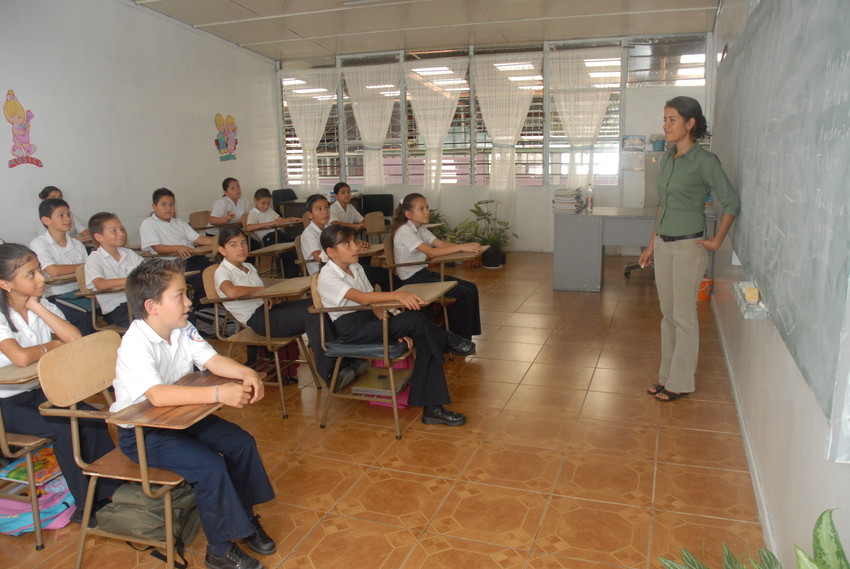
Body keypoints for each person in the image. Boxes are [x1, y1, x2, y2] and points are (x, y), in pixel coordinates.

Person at [112, 258, 276, 569]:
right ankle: (219, 550)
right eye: (180, 296)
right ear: (152, 305)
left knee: (241, 442)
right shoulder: (135, 344)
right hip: (143, 431)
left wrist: (245, 372)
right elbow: (157, 396)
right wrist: (218, 393)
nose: (189, 302)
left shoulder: (182, 327)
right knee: (208, 466)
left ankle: (245, 520)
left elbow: (212, 360)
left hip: (180, 417)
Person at [0, 243, 118, 522]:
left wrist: (35, 307)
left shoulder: (42, 304)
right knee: (66, 428)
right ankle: (84, 507)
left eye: (39, 269)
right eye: (31, 274)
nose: (41, 278)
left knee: (91, 417)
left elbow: (74, 338)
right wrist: (51, 345)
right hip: (6, 407)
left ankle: (109, 491)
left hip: (38, 392)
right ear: (5, 284)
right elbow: (18, 357)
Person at [317, 224, 474, 426]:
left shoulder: (355, 268)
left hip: (369, 322)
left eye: (354, 242)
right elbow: (364, 299)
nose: (355, 247)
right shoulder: (327, 276)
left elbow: (374, 306)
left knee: (426, 340)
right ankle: (449, 341)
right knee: (416, 321)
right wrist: (399, 295)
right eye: (347, 244)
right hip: (351, 330)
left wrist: (392, 327)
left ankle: (433, 407)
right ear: (331, 252)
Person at [638, 96, 741, 402]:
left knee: (683, 316)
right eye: (665, 119)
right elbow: (663, 204)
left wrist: (718, 239)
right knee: (667, 315)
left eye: (672, 119)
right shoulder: (668, 158)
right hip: (665, 246)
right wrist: (652, 244)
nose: (665, 125)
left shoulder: (705, 161)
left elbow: (731, 202)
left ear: (690, 123)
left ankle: (681, 382)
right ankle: (666, 376)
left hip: (688, 247)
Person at [213, 225, 367, 388]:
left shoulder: (248, 267)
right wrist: (264, 291)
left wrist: (272, 296)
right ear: (222, 250)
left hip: (269, 309)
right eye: (233, 245)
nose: (241, 248)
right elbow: (231, 292)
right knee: (313, 314)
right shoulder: (222, 271)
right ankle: (331, 373)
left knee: (319, 305)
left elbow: (255, 294)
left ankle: (350, 358)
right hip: (258, 320)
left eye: (244, 243)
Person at [392, 193, 482, 340]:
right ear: (408, 214)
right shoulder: (404, 231)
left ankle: (463, 336)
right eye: (421, 209)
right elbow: (431, 252)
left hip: (423, 273)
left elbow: (440, 244)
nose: (427, 211)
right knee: (464, 293)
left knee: (471, 287)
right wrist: (461, 248)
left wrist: (466, 247)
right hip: (413, 280)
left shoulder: (420, 228)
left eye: (427, 207)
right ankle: (453, 337)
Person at [29, 198, 95, 335]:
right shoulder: (39, 243)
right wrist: (83, 266)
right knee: (84, 316)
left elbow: (91, 270)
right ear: (46, 221)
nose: (67, 219)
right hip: (56, 296)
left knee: (113, 307)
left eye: (68, 215)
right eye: (61, 215)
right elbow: (54, 271)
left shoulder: (77, 244)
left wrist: (85, 267)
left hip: (82, 292)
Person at [139, 187, 213, 310]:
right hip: (168, 263)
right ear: (154, 206)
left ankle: (205, 305)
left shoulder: (179, 222)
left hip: (190, 258)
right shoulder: (148, 224)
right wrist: (178, 247)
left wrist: (222, 240)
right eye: (164, 204)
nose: (169, 208)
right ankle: (200, 306)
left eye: (171, 204)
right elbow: (158, 248)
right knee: (203, 276)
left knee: (214, 269)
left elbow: (200, 239)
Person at [302, 194, 390, 290]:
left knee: (376, 270)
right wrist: (349, 250)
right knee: (382, 274)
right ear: (309, 214)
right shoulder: (308, 234)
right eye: (319, 209)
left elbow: (344, 241)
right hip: (326, 272)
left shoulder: (329, 227)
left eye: (327, 207)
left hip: (343, 267)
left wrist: (358, 243)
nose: (325, 212)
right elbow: (318, 256)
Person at [84, 212, 144, 328]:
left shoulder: (129, 254)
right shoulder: (94, 259)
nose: (121, 233)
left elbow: (148, 272)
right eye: (114, 231)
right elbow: (100, 284)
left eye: (121, 229)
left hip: (138, 302)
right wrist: (131, 279)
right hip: (117, 309)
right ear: (99, 237)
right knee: (150, 322)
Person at [245, 188, 301, 278]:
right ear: (255, 200)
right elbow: (249, 227)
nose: (266, 206)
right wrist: (268, 224)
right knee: (286, 252)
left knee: (296, 243)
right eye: (263, 203)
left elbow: (281, 220)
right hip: (268, 238)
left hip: (278, 234)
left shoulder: (269, 210)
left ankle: (298, 270)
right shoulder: (253, 214)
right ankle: (290, 275)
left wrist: (290, 219)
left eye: (268, 203)